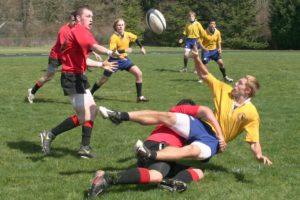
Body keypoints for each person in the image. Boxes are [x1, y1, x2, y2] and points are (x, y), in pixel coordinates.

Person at [125, 46, 272, 166]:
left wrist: (258, 155)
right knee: (169, 117)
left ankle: (150, 154)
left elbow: (254, 141)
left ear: (247, 90)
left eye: (239, 83)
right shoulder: (224, 89)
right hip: (202, 126)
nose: (235, 83)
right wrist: (196, 58)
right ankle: (122, 116)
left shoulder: (252, 113)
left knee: (192, 151)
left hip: (214, 141)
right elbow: (204, 74)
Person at [87, 99, 226, 198]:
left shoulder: (186, 128)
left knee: (198, 171)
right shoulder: (180, 115)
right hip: (159, 147)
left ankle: (171, 182)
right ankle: (107, 179)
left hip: (161, 152)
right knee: (156, 175)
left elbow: (202, 159)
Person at [40, 5, 119, 158]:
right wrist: (110, 52)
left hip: (78, 77)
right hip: (71, 77)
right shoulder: (79, 30)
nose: (91, 19)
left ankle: (85, 148)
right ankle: (49, 134)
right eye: (88, 16)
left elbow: (84, 60)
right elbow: (94, 46)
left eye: (92, 17)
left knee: (93, 110)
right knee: (85, 116)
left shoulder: (79, 33)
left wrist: (101, 64)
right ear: (78, 18)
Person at [27, 12, 103, 103]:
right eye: (72, 20)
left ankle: (84, 96)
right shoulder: (64, 30)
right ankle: (32, 91)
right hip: (56, 56)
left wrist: (93, 52)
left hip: (67, 56)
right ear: (69, 20)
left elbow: (83, 43)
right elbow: (65, 47)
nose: (74, 22)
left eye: (76, 20)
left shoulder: (77, 30)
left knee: (80, 72)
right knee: (49, 76)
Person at [90, 18, 149, 103]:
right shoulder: (113, 38)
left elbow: (135, 38)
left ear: (124, 26)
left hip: (124, 60)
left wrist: (141, 47)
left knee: (139, 73)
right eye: (119, 25)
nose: (121, 27)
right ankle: (91, 93)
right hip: (114, 61)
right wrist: (125, 50)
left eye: (122, 25)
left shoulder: (127, 34)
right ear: (115, 27)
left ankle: (139, 97)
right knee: (103, 80)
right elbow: (113, 52)